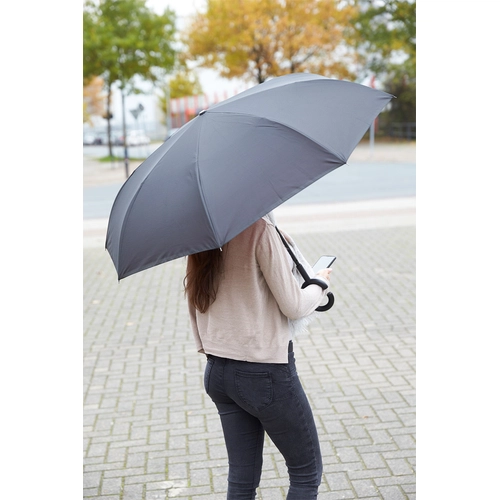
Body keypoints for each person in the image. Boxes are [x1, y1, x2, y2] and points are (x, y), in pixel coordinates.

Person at [184, 213, 332, 499]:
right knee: (306, 472)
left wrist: (208, 346)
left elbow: (195, 301)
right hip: (265, 373)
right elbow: (294, 305)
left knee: (241, 477)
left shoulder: (200, 231)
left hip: (218, 371)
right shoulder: (259, 228)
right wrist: (319, 283)